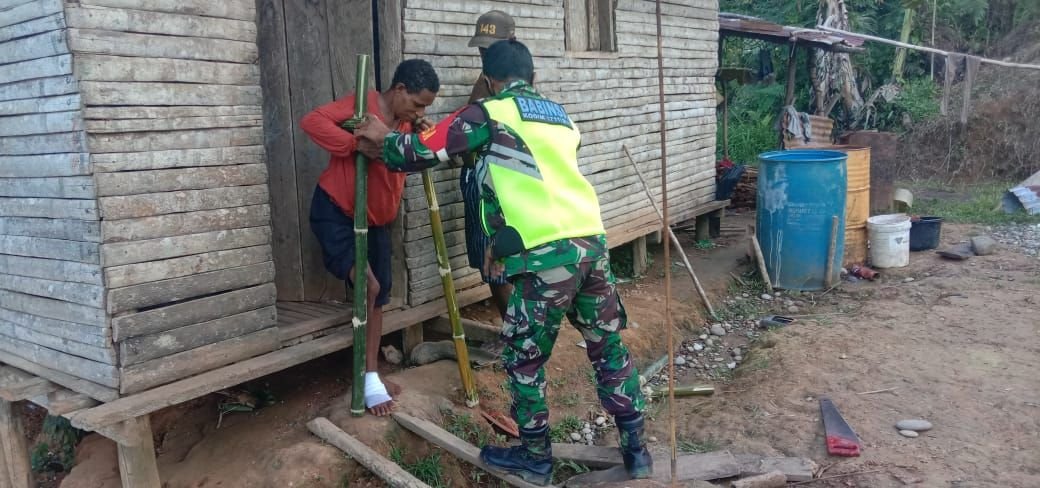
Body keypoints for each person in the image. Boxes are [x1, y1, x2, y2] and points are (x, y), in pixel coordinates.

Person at [355, 40, 651, 485]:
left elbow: (416, 153)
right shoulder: (561, 116)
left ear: (488, 80)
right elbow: (522, 165)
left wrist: (384, 138)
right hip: (591, 247)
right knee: (608, 350)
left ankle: (535, 460)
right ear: (533, 77)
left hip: (543, 255)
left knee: (525, 360)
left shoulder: (487, 112)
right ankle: (638, 452)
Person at [300, 59, 439, 417]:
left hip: (377, 221)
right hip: (338, 212)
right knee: (370, 286)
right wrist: (352, 144)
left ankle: (370, 374)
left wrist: (422, 133)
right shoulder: (361, 105)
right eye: (419, 103)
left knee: (378, 298)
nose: (420, 111)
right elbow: (311, 121)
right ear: (399, 90)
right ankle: (367, 378)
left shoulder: (408, 125)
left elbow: (428, 155)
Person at [460, 10, 517, 319]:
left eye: (491, 48)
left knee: (498, 262)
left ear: (511, 42)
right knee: (491, 260)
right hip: (481, 177)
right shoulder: (486, 80)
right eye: (482, 48)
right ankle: (515, 332)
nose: (485, 54)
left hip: (495, 182)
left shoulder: (505, 84)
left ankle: (514, 337)